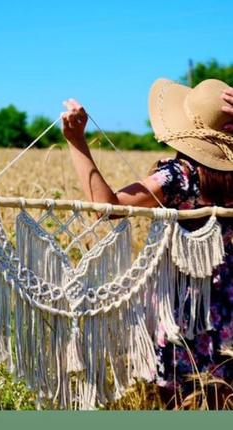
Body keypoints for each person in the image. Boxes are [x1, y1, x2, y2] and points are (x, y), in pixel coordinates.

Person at [61, 78, 233, 409]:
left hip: (179, 305)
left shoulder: (178, 177)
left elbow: (105, 205)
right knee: (223, 398)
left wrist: (76, 141)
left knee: (177, 402)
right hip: (226, 303)